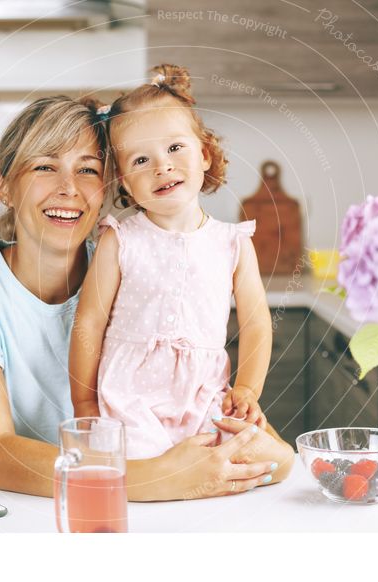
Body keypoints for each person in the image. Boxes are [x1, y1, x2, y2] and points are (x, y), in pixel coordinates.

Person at [0, 95, 291, 501]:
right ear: (3, 186)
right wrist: (153, 479)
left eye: (87, 170)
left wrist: (272, 451)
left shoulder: (138, 272)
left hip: (125, 503)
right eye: (45, 167)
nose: (68, 188)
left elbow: (259, 444)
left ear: (107, 187)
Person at [69, 64, 292, 474]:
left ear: (204, 154)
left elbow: (257, 322)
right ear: (124, 183)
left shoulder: (233, 242)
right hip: (130, 399)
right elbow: (89, 322)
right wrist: (85, 404)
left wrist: (246, 388)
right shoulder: (119, 239)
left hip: (205, 395)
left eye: (175, 148)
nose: (162, 166)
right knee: (153, 479)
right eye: (140, 159)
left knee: (271, 466)